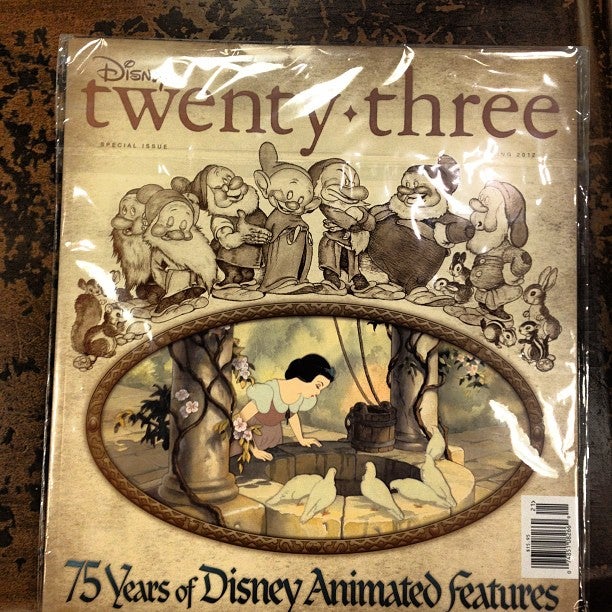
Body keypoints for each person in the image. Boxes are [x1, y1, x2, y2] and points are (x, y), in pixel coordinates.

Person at [231, 354, 335, 461]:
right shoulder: (269, 391)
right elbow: (241, 419)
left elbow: (292, 416)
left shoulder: (299, 397)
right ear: (306, 375)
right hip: (250, 436)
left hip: (272, 435)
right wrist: (254, 450)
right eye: (318, 386)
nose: (318, 392)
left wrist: (301, 439)